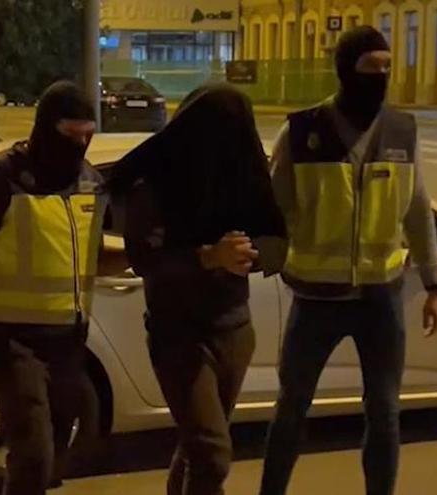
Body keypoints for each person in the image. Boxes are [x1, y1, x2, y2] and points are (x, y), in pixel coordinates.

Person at [259, 26, 437, 495]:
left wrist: (434, 284)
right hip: (315, 297)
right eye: (370, 67)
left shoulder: (402, 130)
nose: (380, 76)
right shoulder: (302, 132)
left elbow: (417, 209)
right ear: (346, 70)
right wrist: (262, 260)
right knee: (291, 407)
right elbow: (273, 208)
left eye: (387, 67)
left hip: (380, 299)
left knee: (384, 412)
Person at [0, 81, 126, 495]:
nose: (80, 144)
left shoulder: (90, 184)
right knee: (33, 454)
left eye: (87, 135)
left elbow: (89, 261)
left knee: (51, 457)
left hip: (68, 342)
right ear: (45, 128)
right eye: (70, 135)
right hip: (6, 339)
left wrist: (151, 253)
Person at [110, 84, 287, 495]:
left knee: (197, 450)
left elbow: (279, 239)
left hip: (234, 331)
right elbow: (145, 258)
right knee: (211, 452)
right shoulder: (153, 184)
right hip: (179, 336)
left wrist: (253, 253)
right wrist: (208, 256)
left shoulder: (243, 175)